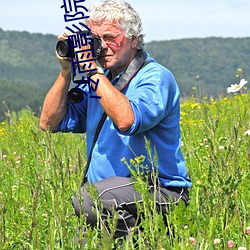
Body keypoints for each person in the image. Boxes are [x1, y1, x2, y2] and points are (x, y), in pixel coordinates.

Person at [40, 0, 192, 243]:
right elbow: (49, 122)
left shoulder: (154, 77)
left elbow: (127, 120)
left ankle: (145, 242)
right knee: (81, 238)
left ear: (133, 39)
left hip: (159, 191)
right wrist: (66, 71)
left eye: (110, 37)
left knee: (87, 200)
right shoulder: (101, 81)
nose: (101, 47)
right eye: (95, 39)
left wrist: (90, 70)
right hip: (110, 199)